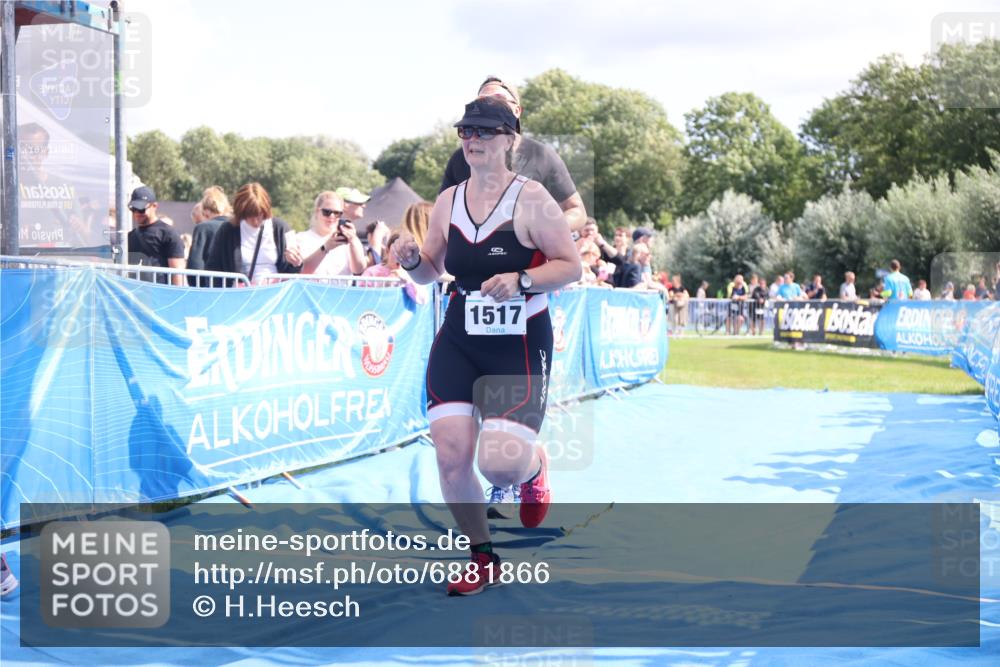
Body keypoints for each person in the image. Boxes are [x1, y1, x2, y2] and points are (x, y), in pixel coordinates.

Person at [392, 97, 580, 596]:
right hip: (460, 336)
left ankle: (534, 464)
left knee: (497, 464)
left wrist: (521, 278)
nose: (472, 140)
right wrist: (412, 260)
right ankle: (482, 556)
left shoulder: (533, 198)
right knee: (452, 456)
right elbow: (433, 269)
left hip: (516, 343)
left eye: (483, 132)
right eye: (464, 132)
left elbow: (570, 266)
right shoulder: (449, 200)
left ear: (509, 138)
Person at [440, 75, 588, 232]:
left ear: (517, 110)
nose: (490, 106)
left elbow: (577, 211)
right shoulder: (461, 157)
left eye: (498, 99)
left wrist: (543, 231)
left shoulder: (542, 156)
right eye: (482, 101)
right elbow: (441, 213)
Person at [205, 183, 300, 285]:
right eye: (250, 216)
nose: (256, 221)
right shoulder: (227, 230)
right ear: (241, 212)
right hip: (241, 296)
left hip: (274, 294)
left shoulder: (280, 228)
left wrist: (296, 263)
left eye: (261, 215)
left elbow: (292, 272)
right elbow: (213, 268)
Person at [283, 192, 366, 277]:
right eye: (327, 212)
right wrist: (325, 248)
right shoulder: (300, 239)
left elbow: (358, 270)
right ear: (317, 211)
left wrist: (353, 241)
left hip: (341, 289)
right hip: (310, 289)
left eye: (337, 213)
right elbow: (302, 271)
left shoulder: (348, 239)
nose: (332, 216)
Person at [126, 186, 186, 286]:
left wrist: (175, 296)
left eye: (141, 209)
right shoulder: (131, 236)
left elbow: (177, 273)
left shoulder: (168, 234)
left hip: (160, 294)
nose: (136, 213)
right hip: (136, 294)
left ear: (154, 206)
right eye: (133, 209)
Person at [187, 186, 232, 285]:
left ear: (206, 210)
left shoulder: (203, 228)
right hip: (236, 288)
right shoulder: (238, 227)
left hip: (210, 289)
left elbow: (195, 264)